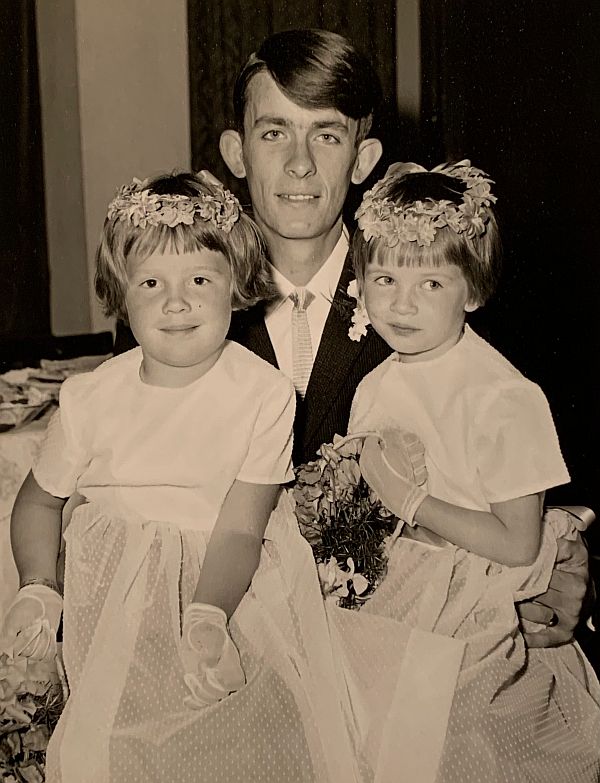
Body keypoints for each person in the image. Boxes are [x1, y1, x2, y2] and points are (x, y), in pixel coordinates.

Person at [113, 30, 586, 655]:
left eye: (327, 135)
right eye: (274, 132)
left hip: (400, 638)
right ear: (237, 151)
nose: (300, 164)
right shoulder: (176, 306)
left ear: (362, 160)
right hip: (238, 639)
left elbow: (511, 468)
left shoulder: (428, 297)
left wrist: (569, 567)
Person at [2, 171, 342, 782]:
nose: (175, 302)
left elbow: (241, 528)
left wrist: (207, 612)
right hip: (111, 599)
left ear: (235, 285)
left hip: (228, 587)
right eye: (151, 282)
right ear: (121, 294)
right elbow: (37, 503)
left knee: (235, 748)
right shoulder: (91, 398)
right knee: (110, 750)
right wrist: (37, 584)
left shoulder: (263, 394)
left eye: (200, 280)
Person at [336, 160, 600, 781]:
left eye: (431, 284)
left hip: (477, 607)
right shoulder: (377, 382)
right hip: (392, 594)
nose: (402, 303)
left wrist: (415, 504)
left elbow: (518, 543)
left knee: (458, 752)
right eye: (384, 279)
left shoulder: (502, 395)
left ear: (473, 291)